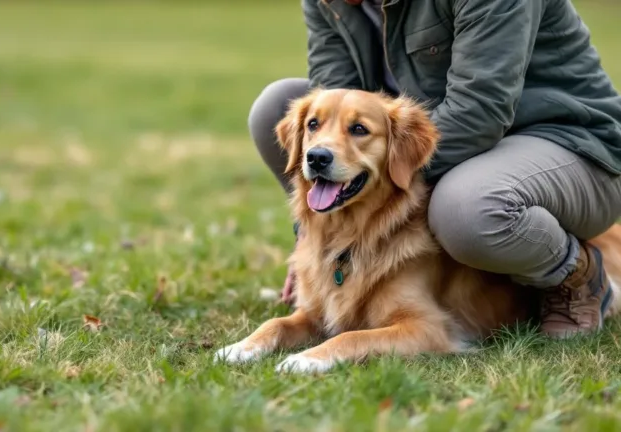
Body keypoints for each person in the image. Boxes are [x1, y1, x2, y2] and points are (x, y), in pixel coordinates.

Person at [248, 0, 621, 338]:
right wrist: (315, 241)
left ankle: (577, 275)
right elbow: (340, 100)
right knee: (274, 109)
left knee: (465, 210)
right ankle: (346, 263)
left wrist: (398, 174)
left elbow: (478, 112)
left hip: (568, 143)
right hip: (443, 145)